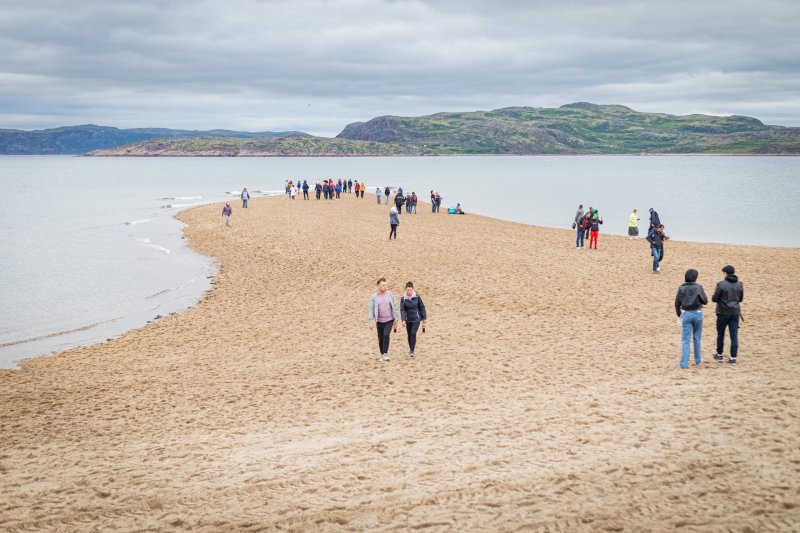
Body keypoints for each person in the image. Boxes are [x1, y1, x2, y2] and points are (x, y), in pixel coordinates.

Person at [675, 269, 709, 369]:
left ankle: (684, 364)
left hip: (686, 313)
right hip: (697, 313)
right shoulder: (699, 287)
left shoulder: (681, 288)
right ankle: (698, 360)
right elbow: (705, 301)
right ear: (695, 278)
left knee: (686, 339)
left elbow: (677, 303)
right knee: (697, 338)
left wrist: (679, 314)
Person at [712, 265, 744, 365]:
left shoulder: (721, 284)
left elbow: (714, 298)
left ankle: (719, 354)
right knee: (734, 335)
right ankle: (733, 358)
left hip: (722, 312)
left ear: (725, 273)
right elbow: (740, 299)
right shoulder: (739, 284)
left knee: (720, 333)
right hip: (735, 312)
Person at [368, 278, 398, 362]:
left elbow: (395, 306)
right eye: (383, 285)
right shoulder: (374, 297)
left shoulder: (390, 295)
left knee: (386, 335)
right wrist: (370, 321)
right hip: (379, 321)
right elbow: (371, 308)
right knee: (380, 338)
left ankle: (385, 354)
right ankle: (382, 354)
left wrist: (396, 320)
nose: (385, 287)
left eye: (386, 285)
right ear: (378, 286)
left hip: (389, 320)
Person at [400, 282, 427, 357]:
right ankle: (411, 349)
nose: (409, 292)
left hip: (416, 318)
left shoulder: (417, 296)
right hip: (408, 319)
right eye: (407, 290)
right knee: (409, 334)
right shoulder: (403, 298)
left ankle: (412, 350)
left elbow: (422, 307)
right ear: (405, 290)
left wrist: (424, 317)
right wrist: (403, 320)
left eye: (410, 290)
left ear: (413, 290)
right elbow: (402, 310)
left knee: (413, 333)